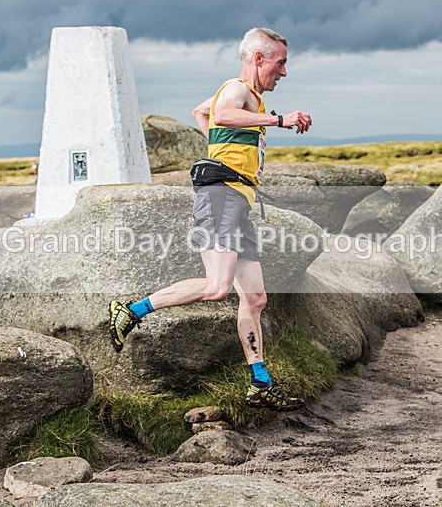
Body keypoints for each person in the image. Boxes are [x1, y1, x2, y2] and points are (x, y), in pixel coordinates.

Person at [107, 28, 312, 412]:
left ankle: (260, 383)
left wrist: (220, 146)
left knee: (254, 297)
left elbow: (201, 113)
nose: (283, 72)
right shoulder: (239, 91)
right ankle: (130, 311)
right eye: (280, 63)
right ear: (258, 59)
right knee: (218, 287)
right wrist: (279, 120)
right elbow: (220, 112)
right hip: (222, 197)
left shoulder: (249, 99)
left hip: (238, 200)